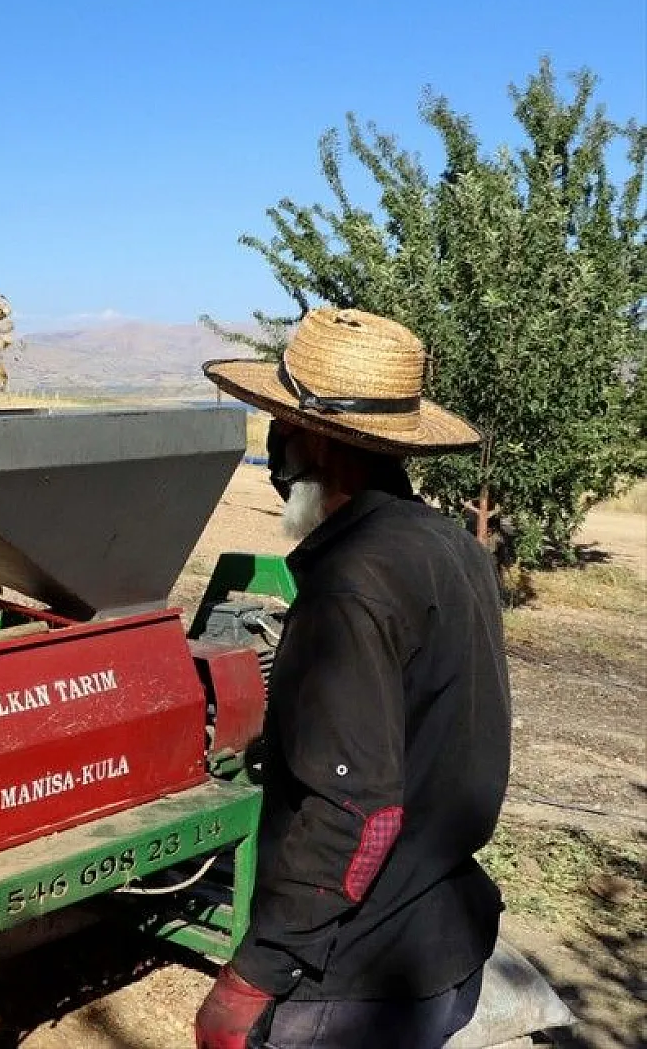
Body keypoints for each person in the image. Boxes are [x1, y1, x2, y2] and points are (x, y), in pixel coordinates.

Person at [193, 308, 511, 1049]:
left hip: (358, 980)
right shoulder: (451, 547)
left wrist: (252, 976)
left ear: (318, 444)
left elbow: (358, 813)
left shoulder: (349, 586)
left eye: (281, 428)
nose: (274, 453)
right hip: (445, 940)